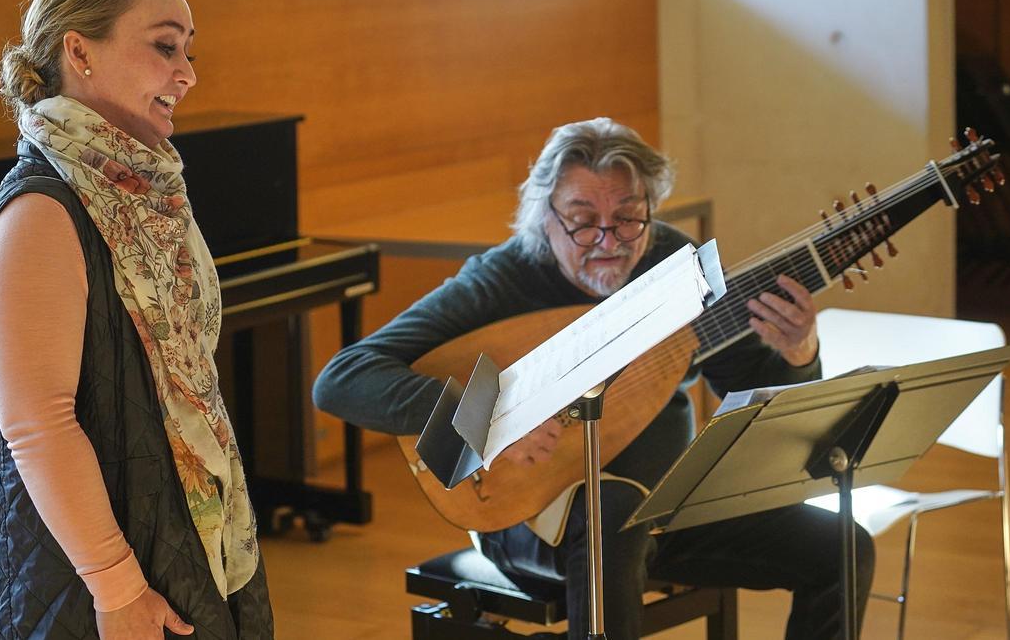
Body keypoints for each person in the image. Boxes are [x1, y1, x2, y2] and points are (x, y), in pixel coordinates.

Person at [313, 117, 875, 639]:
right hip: (529, 517)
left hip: (663, 503)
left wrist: (797, 352)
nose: (610, 241)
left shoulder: (669, 263)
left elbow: (752, 398)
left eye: (629, 217)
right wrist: (493, 418)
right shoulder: (501, 281)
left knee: (842, 547)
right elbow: (342, 378)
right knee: (612, 524)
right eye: (583, 222)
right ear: (545, 219)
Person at [0, 0, 273, 637]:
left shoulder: (140, 191)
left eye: (189, 50)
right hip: (88, 586)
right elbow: (37, 425)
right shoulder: (39, 213)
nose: (187, 73)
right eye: (166, 47)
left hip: (172, 544)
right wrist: (118, 587)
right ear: (79, 52)